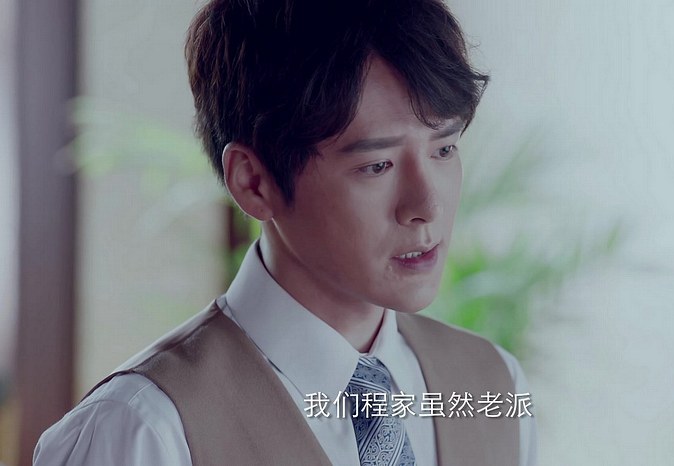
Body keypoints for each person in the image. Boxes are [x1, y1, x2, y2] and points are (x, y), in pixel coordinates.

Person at [34, 0, 537, 464]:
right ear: (254, 183)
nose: (427, 207)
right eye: (377, 165)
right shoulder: (144, 430)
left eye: (444, 149)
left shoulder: (494, 384)